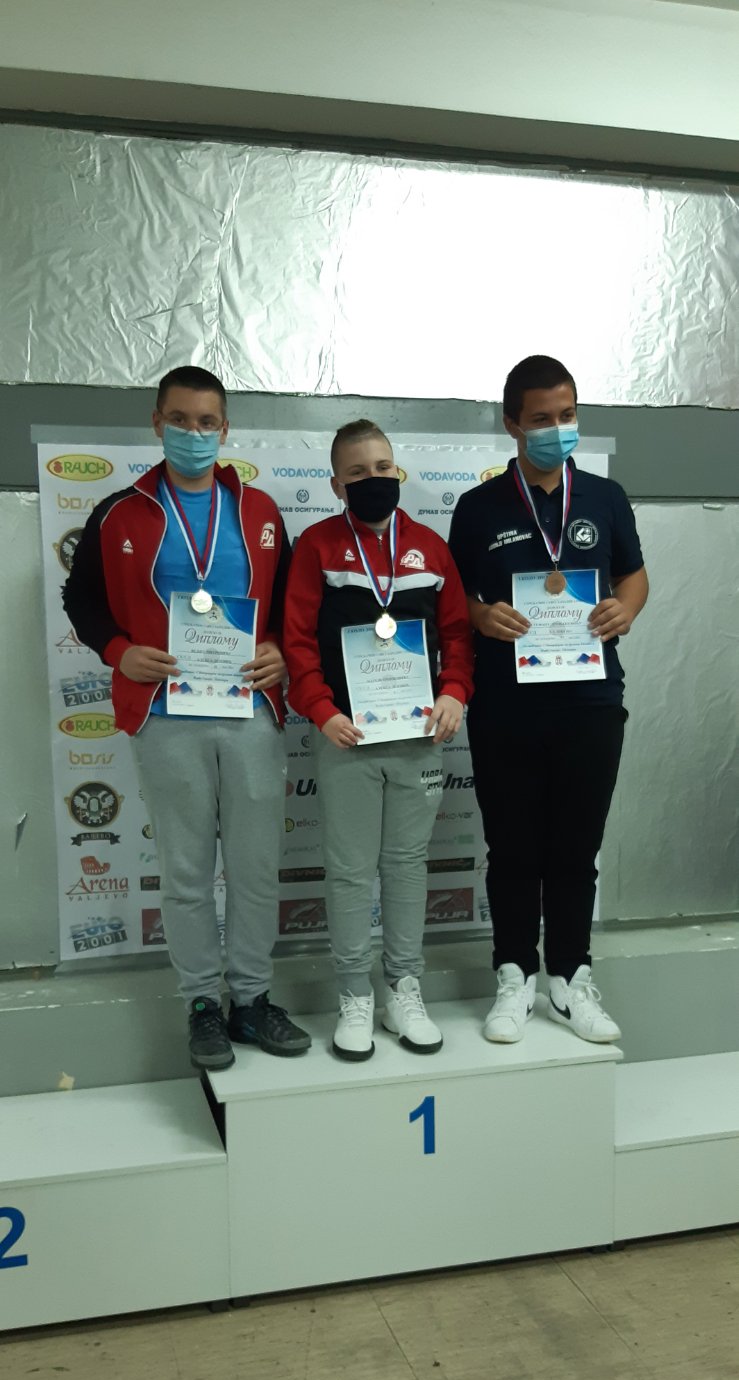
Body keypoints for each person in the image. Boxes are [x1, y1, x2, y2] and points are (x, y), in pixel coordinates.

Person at [63, 365, 310, 1070]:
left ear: (224, 429)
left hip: (249, 708)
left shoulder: (260, 510)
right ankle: (203, 1003)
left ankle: (252, 1000)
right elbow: (81, 599)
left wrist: (279, 651)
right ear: (157, 423)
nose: (193, 433)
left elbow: (289, 606)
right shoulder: (120, 511)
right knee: (186, 871)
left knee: (256, 868)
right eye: (180, 420)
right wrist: (119, 651)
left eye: (206, 423)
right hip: (165, 713)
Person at [449, 355, 648, 1045]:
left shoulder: (605, 497)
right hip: (506, 704)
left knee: (575, 847)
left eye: (566, 415)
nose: (557, 429)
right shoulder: (478, 508)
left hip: (591, 702)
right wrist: (480, 616)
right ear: (512, 424)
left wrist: (625, 609)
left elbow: (634, 577)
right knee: (511, 848)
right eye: (541, 419)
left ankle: (570, 975)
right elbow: (455, 598)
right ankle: (514, 974)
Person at [283, 419, 474, 1061]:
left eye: (383, 468)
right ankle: (354, 992)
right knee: (348, 869)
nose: (373, 479)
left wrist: (454, 692)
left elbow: (458, 635)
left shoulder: (431, 548)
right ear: (336, 484)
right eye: (358, 472)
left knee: (406, 865)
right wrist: (320, 710)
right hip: (346, 735)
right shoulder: (316, 546)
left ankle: (403, 988)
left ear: (398, 472)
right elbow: (297, 640)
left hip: (418, 735)